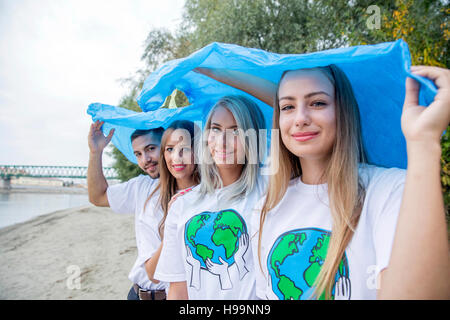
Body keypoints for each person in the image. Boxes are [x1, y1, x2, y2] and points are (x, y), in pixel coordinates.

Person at [197, 65, 450, 299]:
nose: (300, 118)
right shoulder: (266, 206)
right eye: (287, 107)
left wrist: (424, 142)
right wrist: (210, 67)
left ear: (343, 110)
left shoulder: (388, 189)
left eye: (318, 103)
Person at [154, 95, 268, 299]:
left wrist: (210, 69)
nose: (222, 142)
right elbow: (178, 289)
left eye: (236, 131)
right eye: (215, 129)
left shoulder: (270, 190)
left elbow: (283, 105)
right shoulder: (182, 204)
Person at [87, 121, 168, 300]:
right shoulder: (141, 186)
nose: (145, 160)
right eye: (138, 154)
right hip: (137, 294)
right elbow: (97, 197)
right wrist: (96, 152)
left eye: (151, 148)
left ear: (167, 146)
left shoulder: (194, 190)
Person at [143, 120, 201, 283]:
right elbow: (152, 275)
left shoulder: (214, 196)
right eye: (170, 149)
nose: (177, 157)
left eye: (185, 149)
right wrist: (171, 224)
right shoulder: (154, 204)